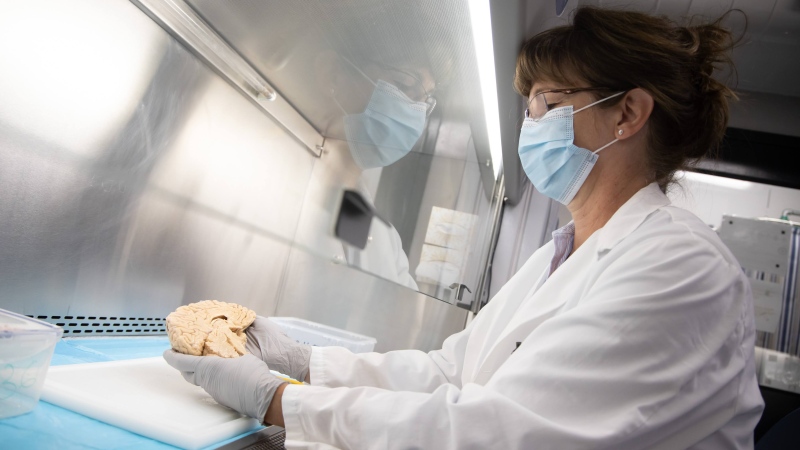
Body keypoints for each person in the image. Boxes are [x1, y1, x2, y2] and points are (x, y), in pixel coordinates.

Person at [163, 6, 764, 449]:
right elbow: (453, 372)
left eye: (547, 104)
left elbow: (499, 433)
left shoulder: (681, 267)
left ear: (627, 114)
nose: (530, 124)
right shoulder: (561, 255)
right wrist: (306, 361)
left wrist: (279, 401)